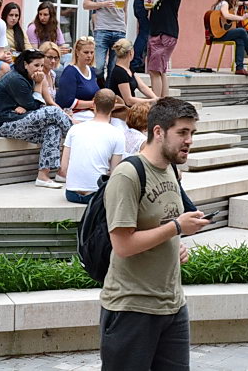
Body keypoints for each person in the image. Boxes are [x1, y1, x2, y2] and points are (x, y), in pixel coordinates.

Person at [100, 97, 210, 370]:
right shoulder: (128, 175)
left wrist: (175, 244)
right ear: (158, 132)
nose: (189, 140)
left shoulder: (171, 170)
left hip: (173, 305)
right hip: (131, 308)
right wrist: (176, 228)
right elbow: (123, 245)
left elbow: (159, 225)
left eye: (192, 133)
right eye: (182, 132)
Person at [0, 49, 72, 188]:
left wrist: (26, 106)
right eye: (36, 65)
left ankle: (46, 176)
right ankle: (77, 135)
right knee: (53, 111)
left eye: (42, 66)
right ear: (25, 64)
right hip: (2, 123)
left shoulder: (28, 76)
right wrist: (38, 86)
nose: (40, 69)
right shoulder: (16, 78)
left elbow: (31, 105)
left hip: (17, 118)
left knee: (53, 129)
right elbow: (35, 106)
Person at [59, 89, 125, 204]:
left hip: (71, 193)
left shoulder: (74, 129)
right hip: (96, 194)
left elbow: (63, 168)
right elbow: (115, 172)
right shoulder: (118, 134)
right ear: (113, 107)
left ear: (93, 104)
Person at [83, 0, 131, 83]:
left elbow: (125, 8)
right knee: (98, 67)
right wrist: (103, 4)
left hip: (119, 29)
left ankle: (108, 94)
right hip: (102, 28)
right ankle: (98, 91)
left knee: (114, 70)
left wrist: (124, 27)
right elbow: (86, 4)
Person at [147, 0, 183, 98]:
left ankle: (155, 103)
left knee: (155, 70)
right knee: (158, 71)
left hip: (165, 33)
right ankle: (163, 102)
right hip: (156, 31)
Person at [55, 36, 99, 114]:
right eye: (86, 52)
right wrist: (94, 104)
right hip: (74, 113)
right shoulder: (70, 72)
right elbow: (67, 101)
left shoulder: (91, 70)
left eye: (92, 52)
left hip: (91, 111)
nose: (89, 55)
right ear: (77, 52)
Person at [107, 38, 157, 107]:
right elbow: (128, 100)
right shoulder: (119, 72)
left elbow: (142, 87)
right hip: (122, 109)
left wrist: (155, 98)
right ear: (131, 52)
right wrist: (151, 101)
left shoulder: (129, 68)